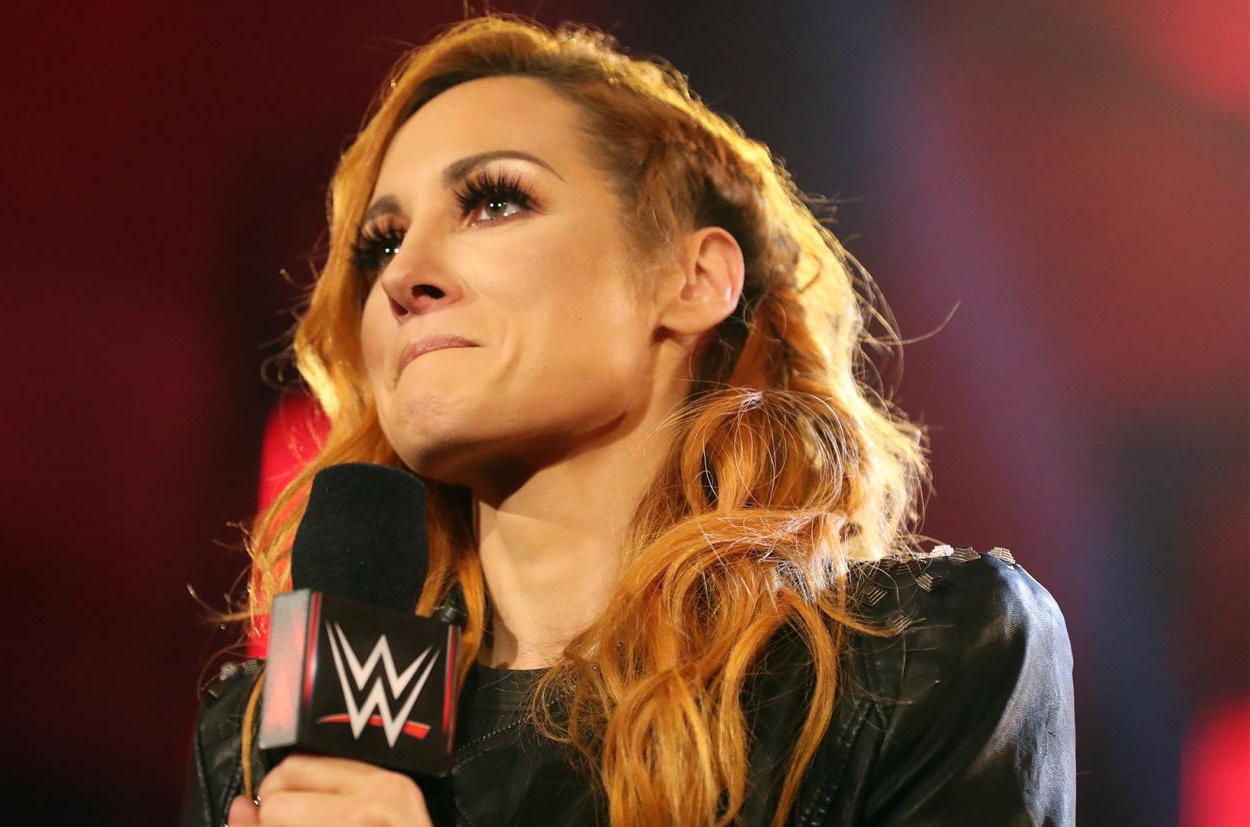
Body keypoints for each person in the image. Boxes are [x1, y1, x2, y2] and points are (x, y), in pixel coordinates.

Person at [180, 14, 1075, 827]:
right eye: (380, 244)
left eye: (495, 200)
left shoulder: (918, 662)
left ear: (693, 280)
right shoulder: (252, 744)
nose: (403, 276)